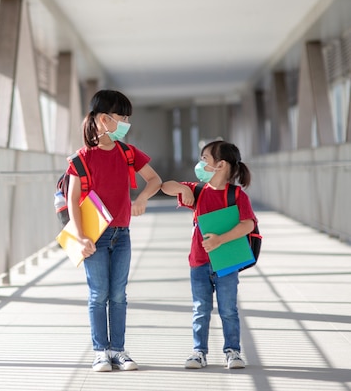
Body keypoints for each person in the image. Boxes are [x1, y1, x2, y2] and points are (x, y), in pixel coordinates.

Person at [66, 89, 162, 372]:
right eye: (123, 117)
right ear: (105, 119)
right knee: (98, 294)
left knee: (118, 294)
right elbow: (73, 200)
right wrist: (81, 237)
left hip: (122, 234)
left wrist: (142, 198)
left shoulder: (128, 153)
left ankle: (118, 350)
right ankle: (100, 351)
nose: (126, 122)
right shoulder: (82, 159)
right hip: (93, 236)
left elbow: (154, 180)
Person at [161, 140, 256, 369]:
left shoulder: (236, 195)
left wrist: (220, 240)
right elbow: (165, 186)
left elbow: (248, 225)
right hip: (199, 262)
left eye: (205, 159)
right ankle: (199, 352)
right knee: (200, 309)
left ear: (220, 165)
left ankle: (232, 351)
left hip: (226, 262)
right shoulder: (198, 191)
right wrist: (183, 189)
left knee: (228, 310)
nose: (200, 164)